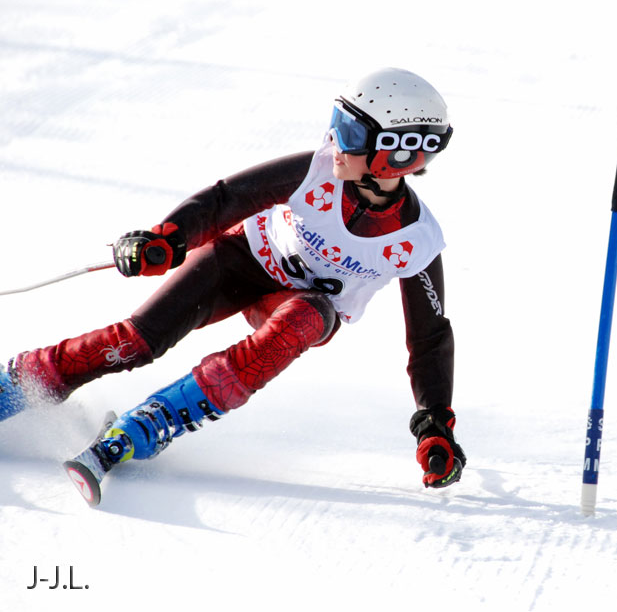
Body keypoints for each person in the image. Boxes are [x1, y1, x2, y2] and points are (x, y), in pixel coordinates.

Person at [0, 67, 465, 505]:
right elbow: (228, 199)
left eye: (352, 133)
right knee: (137, 342)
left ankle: (155, 421)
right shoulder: (318, 169)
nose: (334, 140)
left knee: (303, 319)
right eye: (337, 123)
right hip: (241, 261)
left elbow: (429, 337)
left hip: (301, 306)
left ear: (400, 153)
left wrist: (435, 425)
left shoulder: (417, 239)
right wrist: (169, 237)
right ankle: (16, 384)